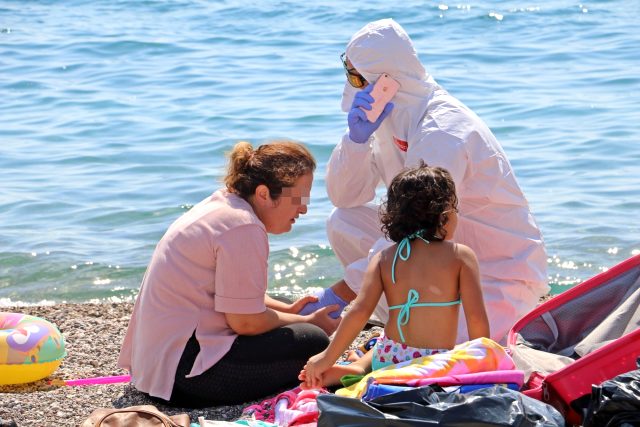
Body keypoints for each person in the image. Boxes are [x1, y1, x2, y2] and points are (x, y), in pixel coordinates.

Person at [300, 18, 548, 343]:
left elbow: (414, 228)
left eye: (357, 76)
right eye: (349, 74)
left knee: (447, 354)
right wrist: (356, 141)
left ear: (386, 79)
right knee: (343, 221)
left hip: (496, 274)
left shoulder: (443, 130)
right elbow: (344, 196)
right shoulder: (389, 115)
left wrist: (337, 295)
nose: (352, 84)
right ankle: (402, 320)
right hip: (438, 257)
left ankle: (407, 323)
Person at [118, 140, 340, 407]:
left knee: (303, 332)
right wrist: (307, 322)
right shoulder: (243, 227)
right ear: (263, 193)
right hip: (184, 378)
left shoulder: (224, 205)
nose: (303, 209)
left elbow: (231, 292)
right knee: (312, 341)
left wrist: (290, 312)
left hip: (156, 368)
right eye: (298, 199)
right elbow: (245, 322)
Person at [299, 164, 490, 389]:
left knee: (383, 342)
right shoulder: (460, 256)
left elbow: (359, 312)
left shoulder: (384, 258)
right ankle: (363, 371)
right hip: (432, 364)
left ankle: (359, 369)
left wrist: (326, 357)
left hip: (389, 356)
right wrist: (484, 362)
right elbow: (476, 319)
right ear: (445, 214)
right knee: (465, 357)